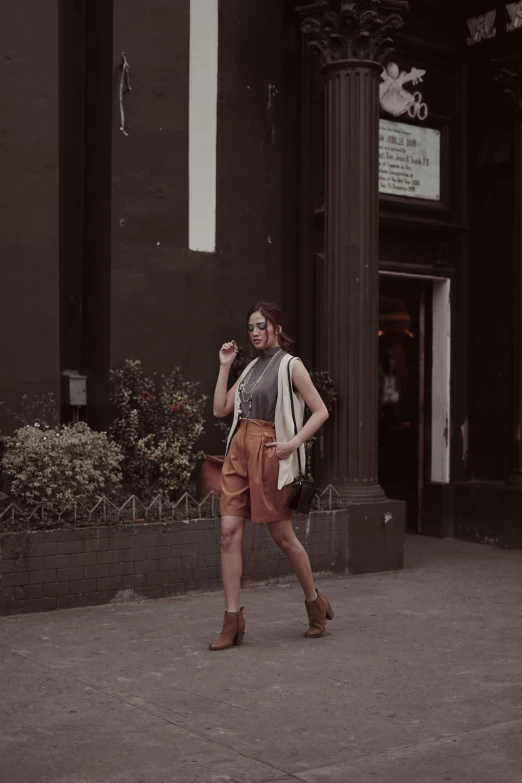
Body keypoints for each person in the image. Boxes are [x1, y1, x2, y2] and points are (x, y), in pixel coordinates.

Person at [209, 301, 333, 651]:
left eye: (261, 326)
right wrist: (225, 366)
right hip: (238, 451)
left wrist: (292, 443)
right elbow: (220, 409)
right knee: (228, 531)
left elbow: (320, 410)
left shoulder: (291, 366)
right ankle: (232, 620)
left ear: (277, 328)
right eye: (250, 327)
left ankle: (314, 602)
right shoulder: (248, 368)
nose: (255, 333)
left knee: (282, 537)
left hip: (269, 452)